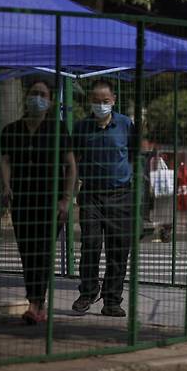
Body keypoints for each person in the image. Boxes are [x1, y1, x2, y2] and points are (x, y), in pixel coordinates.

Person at [0, 80, 76, 324]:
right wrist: (6, 185)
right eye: (34, 93)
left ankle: (35, 304)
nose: (38, 98)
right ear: (26, 97)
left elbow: (71, 165)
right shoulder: (11, 130)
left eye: (43, 94)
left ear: (50, 101)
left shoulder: (58, 129)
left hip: (50, 203)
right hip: (22, 201)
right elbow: (5, 161)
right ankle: (36, 302)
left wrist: (66, 198)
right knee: (27, 251)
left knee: (43, 251)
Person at [72, 79, 134, 317]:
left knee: (118, 249)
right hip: (91, 195)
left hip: (121, 194)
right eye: (96, 101)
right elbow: (73, 160)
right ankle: (88, 291)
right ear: (90, 101)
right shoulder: (82, 127)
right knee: (91, 243)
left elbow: (135, 154)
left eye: (105, 101)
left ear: (113, 100)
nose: (101, 105)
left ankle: (112, 300)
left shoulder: (125, 124)